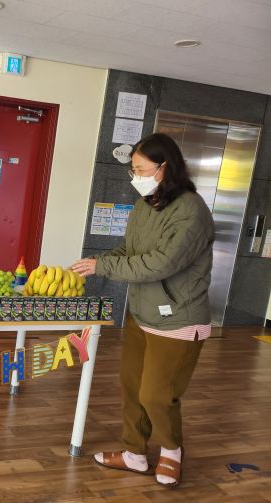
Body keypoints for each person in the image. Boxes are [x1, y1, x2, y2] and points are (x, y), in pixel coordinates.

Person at [71, 133, 214, 488]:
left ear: (166, 167)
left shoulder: (192, 211)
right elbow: (129, 251)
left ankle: (172, 451)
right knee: (133, 387)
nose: (135, 176)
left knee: (156, 394)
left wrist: (104, 267)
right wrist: (96, 262)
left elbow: (161, 263)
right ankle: (134, 453)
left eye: (141, 169)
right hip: (142, 313)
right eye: (133, 169)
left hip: (178, 319)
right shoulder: (144, 206)